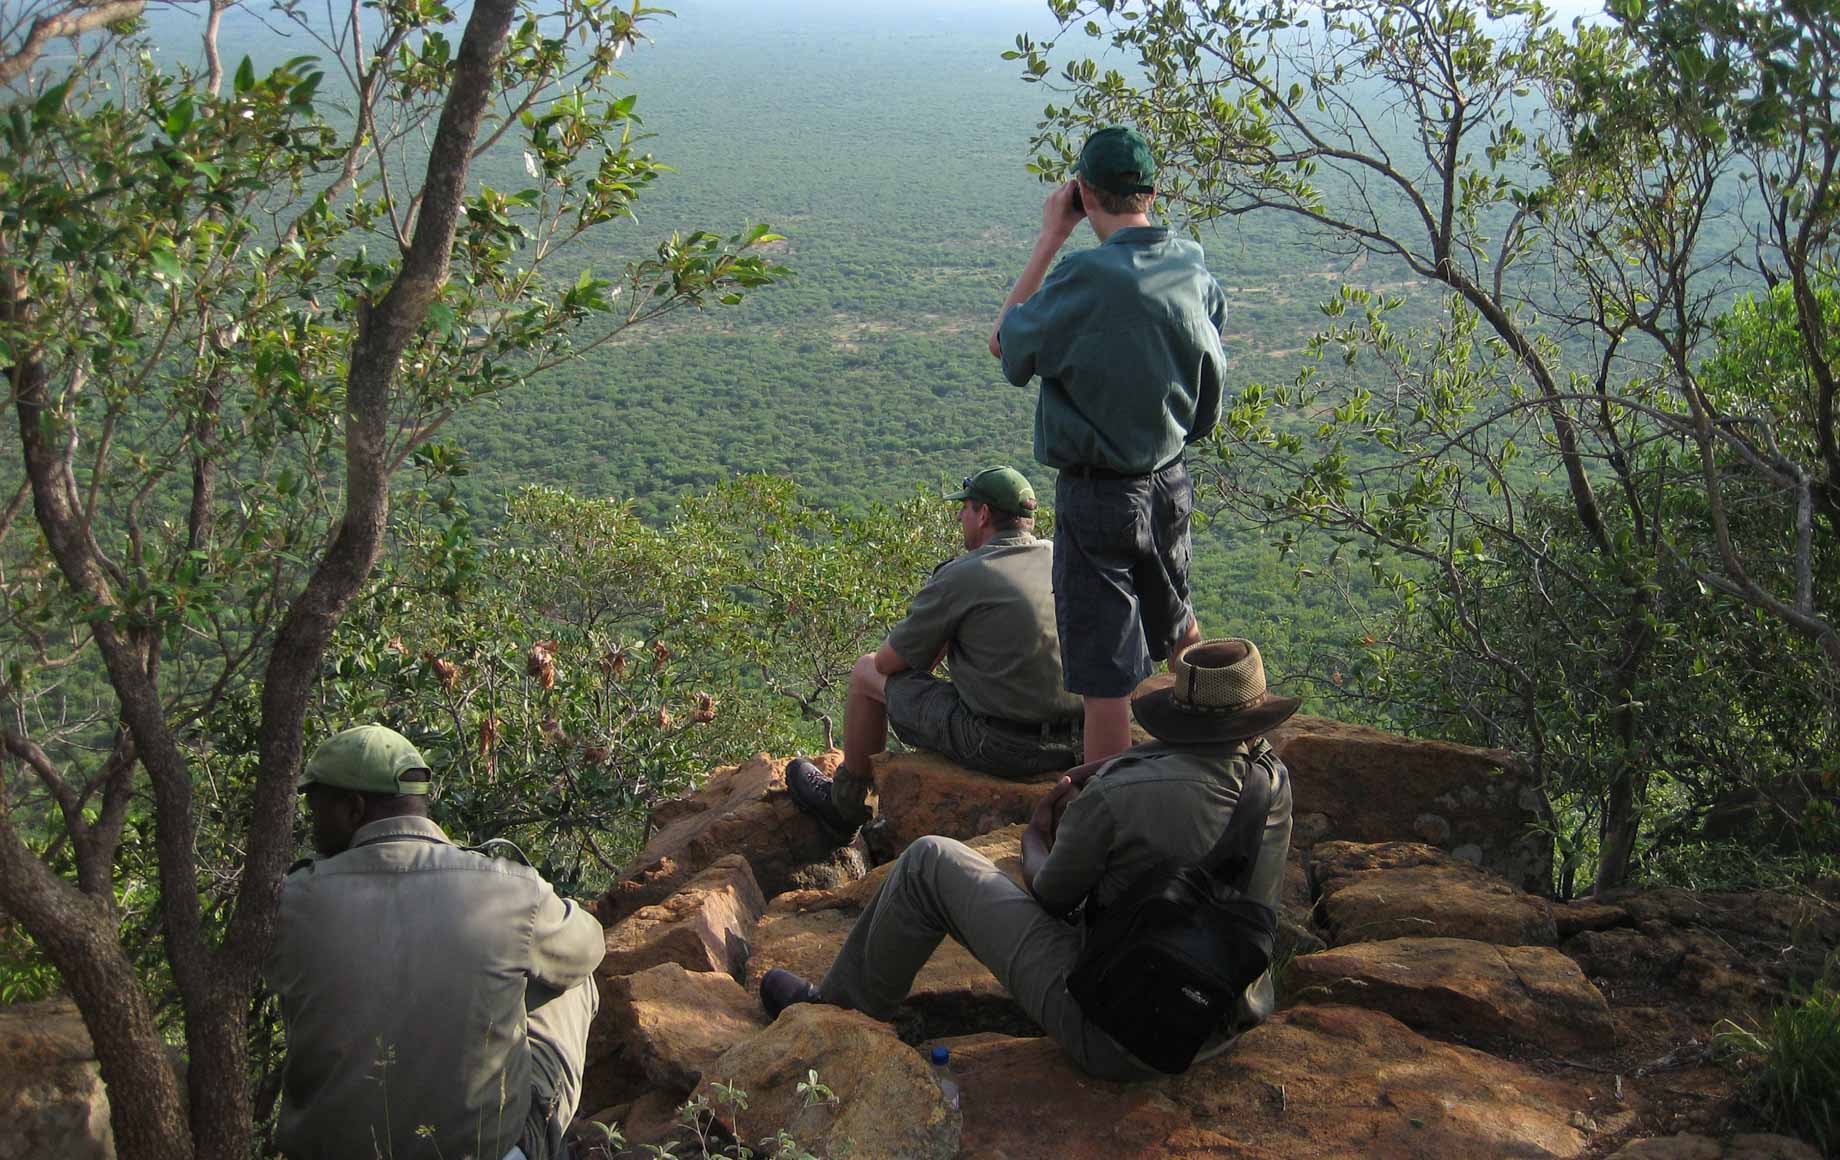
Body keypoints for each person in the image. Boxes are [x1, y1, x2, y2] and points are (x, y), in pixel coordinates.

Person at [760, 638, 1296, 1079]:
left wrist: (1037, 834)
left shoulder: (1119, 794)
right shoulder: (1271, 781)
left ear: (1180, 711)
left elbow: (1052, 894)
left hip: (1121, 1035)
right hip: (1224, 1018)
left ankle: (837, 1016)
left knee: (928, 863)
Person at [989, 125, 1228, 763]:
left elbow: (1005, 346)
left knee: (1105, 674)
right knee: (1178, 624)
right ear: (1154, 190)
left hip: (1100, 494)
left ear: (1082, 192)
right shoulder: (1190, 263)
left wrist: (1051, 236)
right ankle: (1224, 763)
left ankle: (1106, 818)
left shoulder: (1083, 277)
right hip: (1170, 479)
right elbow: (1210, 371)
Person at [264, 724, 604, 1160]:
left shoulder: (290, 903)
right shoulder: (510, 890)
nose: (312, 827)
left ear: (352, 808)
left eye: (317, 811)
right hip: (479, 1150)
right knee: (569, 980)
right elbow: (589, 948)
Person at [785, 466, 1086, 839]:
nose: (960, 516)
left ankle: (844, 805)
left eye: (965, 508)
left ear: (984, 514)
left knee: (864, 673)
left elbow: (887, 664)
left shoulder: (965, 574)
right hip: (1080, 742)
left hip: (1005, 747)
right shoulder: (1063, 559)